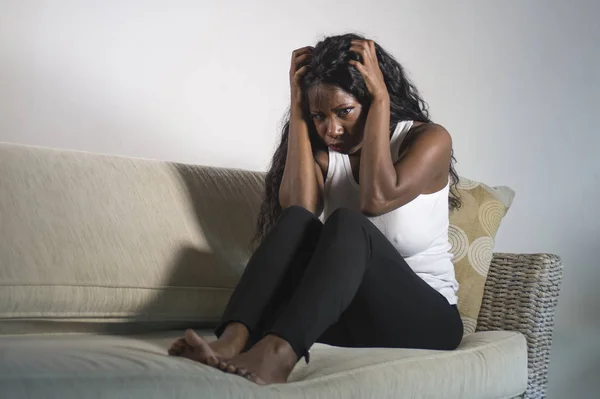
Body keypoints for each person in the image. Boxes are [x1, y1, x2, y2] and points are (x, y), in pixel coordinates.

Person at [168, 33, 463, 385]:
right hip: (350, 315)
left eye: (345, 112)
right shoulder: (329, 154)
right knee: (299, 220)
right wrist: (297, 106)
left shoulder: (428, 140)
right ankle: (231, 342)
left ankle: (277, 356)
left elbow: (377, 199)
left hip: (427, 320)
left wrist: (381, 99)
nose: (331, 129)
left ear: (371, 99)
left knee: (348, 225)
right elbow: (298, 211)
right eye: (319, 116)